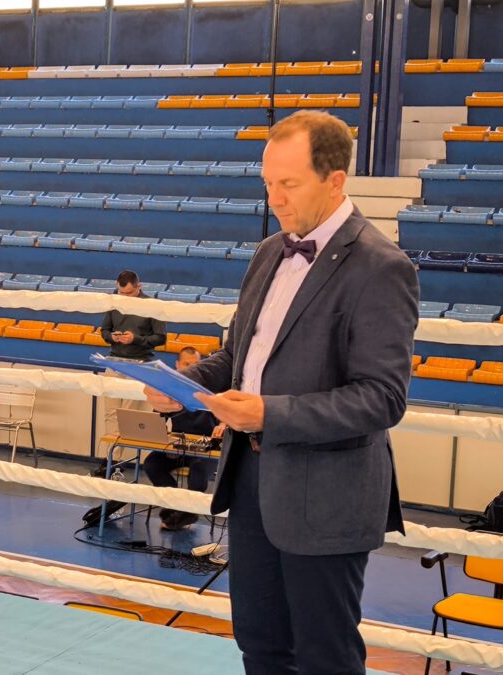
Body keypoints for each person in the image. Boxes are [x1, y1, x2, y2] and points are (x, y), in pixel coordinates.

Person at [145, 110, 418, 674]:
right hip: (252, 486)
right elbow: (237, 358)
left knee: (324, 658)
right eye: (268, 182)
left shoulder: (382, 268)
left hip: (328, 498)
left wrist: (270, 413)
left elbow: (382, 398)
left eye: (288, 183)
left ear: (335, 180)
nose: (274, 198)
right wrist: (184, 387)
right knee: (260, 646)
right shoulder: (270, 250)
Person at [142, 347, 223, 531]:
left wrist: (223, 425)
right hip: (177, 446)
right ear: (177, 365)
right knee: (152, 464)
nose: (192, 369)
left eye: (196, 365)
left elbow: (225, 417)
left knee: (198, 471)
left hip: (208, 448)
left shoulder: (212, 389)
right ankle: (175, 505)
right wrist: (160, 434)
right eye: (187, 364)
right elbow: (158, 419)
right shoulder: (169, 391)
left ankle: (186, 512)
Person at [100, 270, 167, 436]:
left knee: (128, 415)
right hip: (114, 361)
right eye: (121, 293)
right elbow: (104, 331)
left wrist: (135, 339)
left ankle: (121, 452)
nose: (125, 297)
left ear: (139, 287)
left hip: (140, 364)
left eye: (129, 293)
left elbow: (161, 338)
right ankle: (111, 452)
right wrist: (112, 337)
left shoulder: (153, 305)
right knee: (110, 413)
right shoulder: (115, 303)